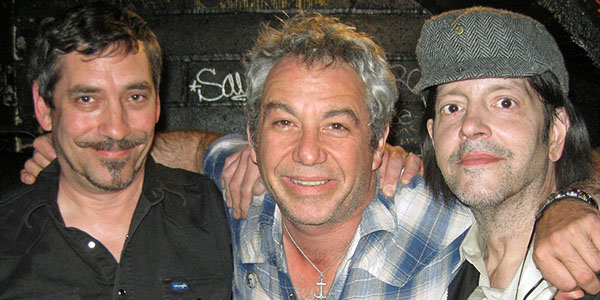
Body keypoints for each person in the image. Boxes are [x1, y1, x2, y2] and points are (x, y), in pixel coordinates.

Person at [18, 11, 600, 300]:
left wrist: (575, 202)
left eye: (338, 125)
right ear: (253, 135)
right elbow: (189, 147)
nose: (307, 153)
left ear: (379, 145)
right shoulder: (240, 203)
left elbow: (518, 183)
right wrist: (81, 150)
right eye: (283, 122)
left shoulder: (449, 212)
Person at [0, 2, 232, 299]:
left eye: (135, 97)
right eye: (87, 99)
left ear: (158, 103)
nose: (116, 129)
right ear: (44, 108)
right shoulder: (7, 239)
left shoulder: (220, 214)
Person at [415, 7, 599, 299]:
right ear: (433, 137)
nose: (471, 126)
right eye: (452, 107)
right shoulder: (437, 269)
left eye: (504, 102)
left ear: (555, 131)